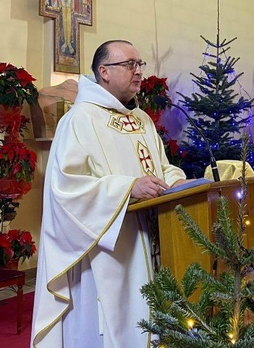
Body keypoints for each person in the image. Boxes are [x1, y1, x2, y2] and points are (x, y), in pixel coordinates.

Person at [31, 40, 189, 347]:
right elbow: (66, 189)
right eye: (130, 64)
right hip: (103, 250)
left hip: (149, 240)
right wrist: (129, 188)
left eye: (140, 64)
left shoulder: (141, 120)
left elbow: (160, 166)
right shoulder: (79, 120)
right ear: (104, 72)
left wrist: (177, 180)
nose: (139, 71)